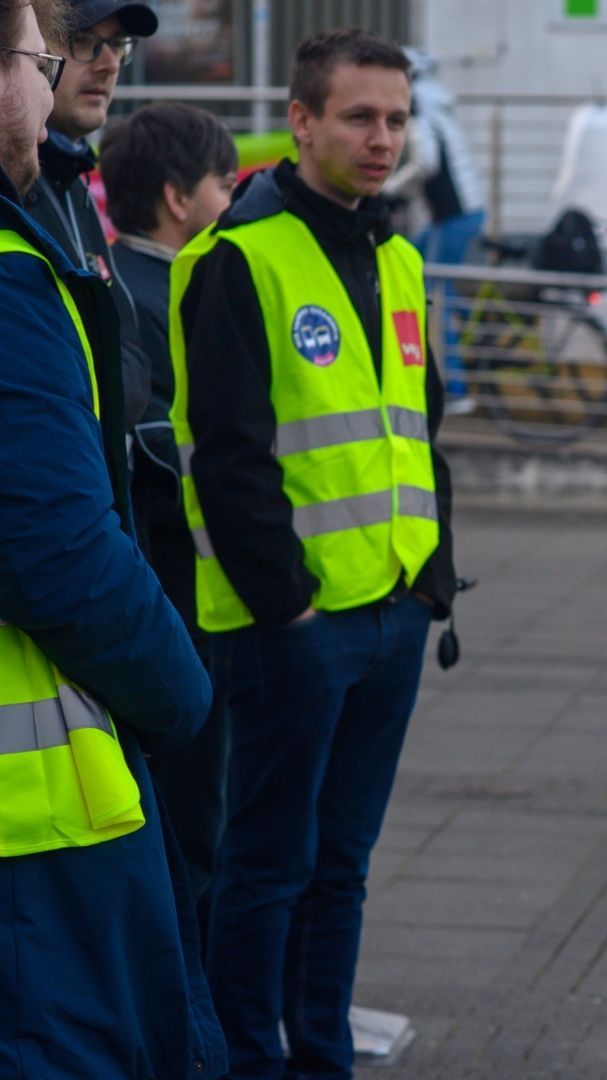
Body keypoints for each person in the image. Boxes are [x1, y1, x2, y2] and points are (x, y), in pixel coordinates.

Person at [171, 28, 457, 1079]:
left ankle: (321, 1057)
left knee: (341, 869)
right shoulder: (237, 258)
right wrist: (287, 609)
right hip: (291, 628)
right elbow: (231, 460)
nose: (383, 139)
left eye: (396, 119)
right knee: (266, 866)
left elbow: (419, 435)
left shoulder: (400, 257)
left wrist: (433, 579)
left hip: (389, 613)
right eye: (359, 118)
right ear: (300, 122)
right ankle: (251, 1061)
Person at [0, 0, 221, 1075]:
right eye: (47, 54)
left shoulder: (53, 211)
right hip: (27, 834)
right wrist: (178, 691)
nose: (70, 72)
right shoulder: (2, 266)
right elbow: (54, 547)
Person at [99, 100, 239, 940]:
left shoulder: (128, 282)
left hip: (183, 597)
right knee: (197, 826)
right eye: (227, 185)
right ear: (179, 198)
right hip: (184, 597)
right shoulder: (155, 296)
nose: (237, 200)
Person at [24, 0, 155, 427]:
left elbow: (132, 354)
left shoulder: (72, 181)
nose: (109, 64)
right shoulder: (9, 184)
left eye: (117, 45)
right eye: (83, 41)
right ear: (29, 49)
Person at [383, 46, 483, 406]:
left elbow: (425, 162)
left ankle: (454, 390)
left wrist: (389, 189)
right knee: (409, 266)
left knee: (434, 297)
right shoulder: (437, 104)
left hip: (452, 216)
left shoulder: (421, 108)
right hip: (464, 211)